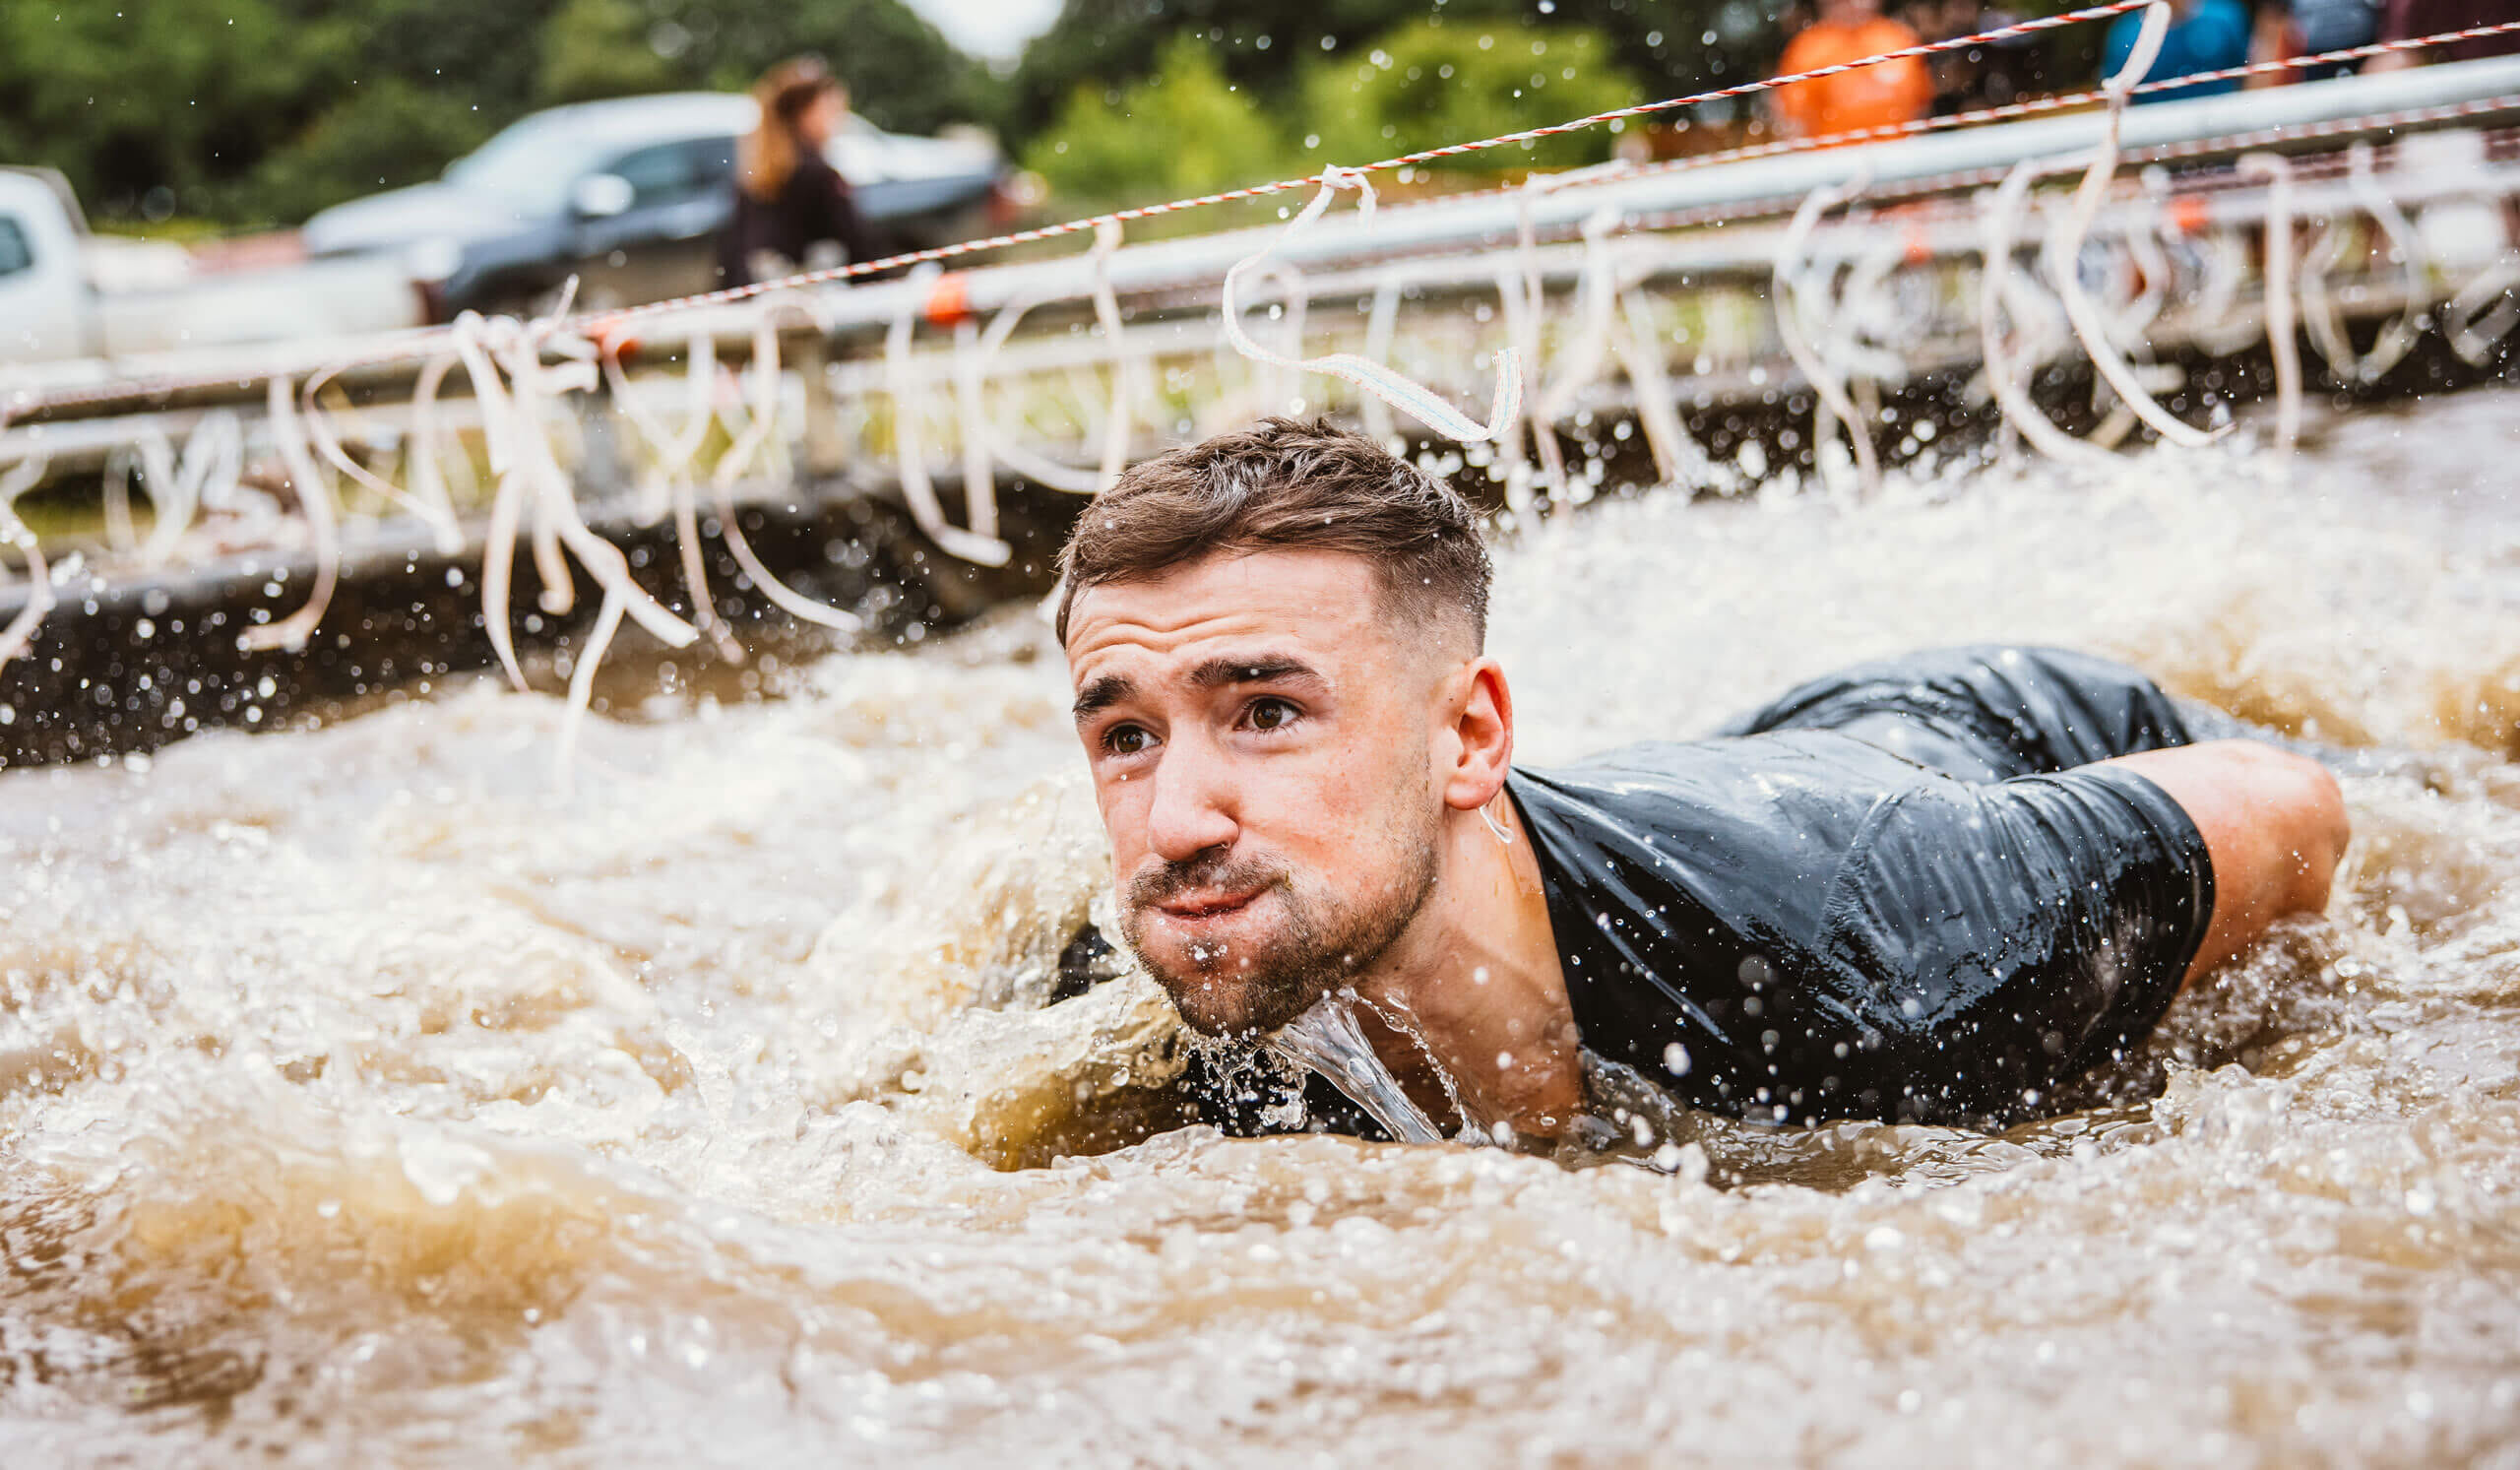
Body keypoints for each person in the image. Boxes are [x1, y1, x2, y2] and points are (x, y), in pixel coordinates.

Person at [1057, 419, 2349, 1138]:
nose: (1174, 823)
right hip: (1728, 780)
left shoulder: (1881, 939)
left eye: (1268, 711)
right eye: (1127, 736)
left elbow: (2291, 809)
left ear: (1469, 735)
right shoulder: (1138, 983)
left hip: (1988, 731)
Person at [717, 56, 881, 291]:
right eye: (831, 109)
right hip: (813, 299)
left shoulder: (753, 174)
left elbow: (731, 254)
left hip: (764, 300)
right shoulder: (816, 174)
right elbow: (859, 247)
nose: (838, 118)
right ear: (805, 113)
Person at [1770, 0, 1937, 141]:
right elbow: (1793, 123)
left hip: (1898, 158)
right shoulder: (1806, 50)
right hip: (1836, 162)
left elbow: (1921, 108)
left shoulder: (1899, 39)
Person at [2105, 0, 2254, 103]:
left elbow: (2250, 75)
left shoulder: (2225, 17)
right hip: (2159, 135)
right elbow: (2117, 98)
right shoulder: (2126, 35)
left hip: (2225, 130)